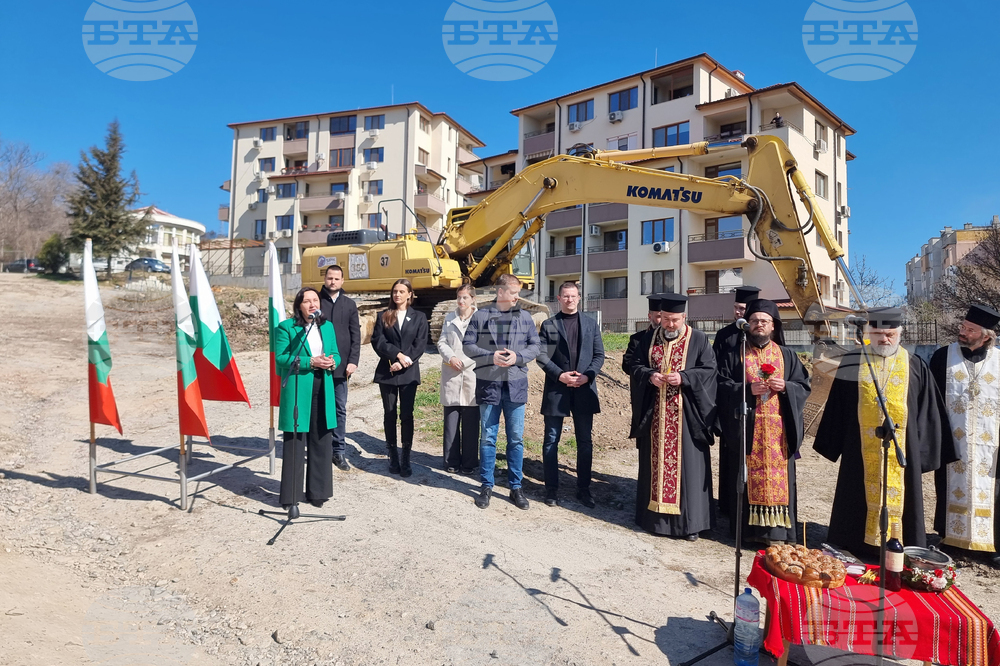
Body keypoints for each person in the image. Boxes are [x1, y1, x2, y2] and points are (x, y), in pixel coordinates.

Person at [814, 308, 958, 556]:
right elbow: (837, 406)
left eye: (890, 334)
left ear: (899, 334)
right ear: (868, 334)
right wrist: (833, 442)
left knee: (904, 500)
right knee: (856, 493)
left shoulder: (915, 365)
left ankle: (903, 543)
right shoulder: (852, 361)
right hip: (859, 448)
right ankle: (855, 543)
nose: (884, 339)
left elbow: (928, 412)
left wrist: (921, 453)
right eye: (878, 334)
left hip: (902, 452)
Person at [716, 299, 810, 544]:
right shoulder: (733, 355)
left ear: (773, 326)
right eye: (755, 321)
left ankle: (780, 533)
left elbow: (804, 386)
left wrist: (786, 387)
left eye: (764, 322)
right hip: (748, 431)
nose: (759, 325)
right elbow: (721, 387)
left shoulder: (787, 355)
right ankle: (749, 533)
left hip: (779, 435)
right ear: (747, 325)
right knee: (746, 479)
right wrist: (747, 389)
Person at [629, 293, 718, 540]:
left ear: (684, 317)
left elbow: (710, 370)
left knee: (689, 471)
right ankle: (655, 521)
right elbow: (635, 365)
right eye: (665, 319)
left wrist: (684, 378)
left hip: (687, 417)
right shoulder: (649, 338)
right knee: (654, 468)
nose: (669, 324)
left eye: (674, 320)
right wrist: (649, 375)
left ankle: (690, 525)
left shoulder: (698, 339)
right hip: (656, 416)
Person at [463, 274, 540, 510]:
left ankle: (516, 487)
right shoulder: (481, 315)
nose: (518, 297)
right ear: (501, 292)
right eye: (514, 292)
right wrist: (490, 357)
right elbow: (468, 345)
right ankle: (486, 485)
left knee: (515, 439)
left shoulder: (525, 317)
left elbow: (535, 345)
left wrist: (518, 357)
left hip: (515, 386)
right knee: (488, 437)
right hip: (489, 385)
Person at [930, 304, 1000, 566]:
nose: (963, 332)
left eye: (970, 330)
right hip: (953, 440)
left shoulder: (999, 362)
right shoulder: (942, 357)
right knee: (947, 487)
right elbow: (932, 400)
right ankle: (950, 537)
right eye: (963, 327)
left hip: (989, 443)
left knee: (992, 492)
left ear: (985, 336)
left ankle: (991, 543)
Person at [536, 281, 606, 508]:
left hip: (584, 389)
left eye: (573, 296)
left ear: (579, 298)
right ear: (559, 298)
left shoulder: (590, 324)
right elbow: (542, 356)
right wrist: (560, 375)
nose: (569, 299)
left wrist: (588, 376)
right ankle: (551, 489)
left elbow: (598, 355)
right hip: (557, 389)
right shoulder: (549, 325)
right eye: (565, 296)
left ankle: (584, 489)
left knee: (584, 442)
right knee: (551, 441)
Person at [274, 287, 341, 509]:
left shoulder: (327, 327)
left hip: (323, 386)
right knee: (295, 442)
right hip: (297, 389)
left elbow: (337, 354)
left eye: (315, 300)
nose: (312, 304)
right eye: (307, 301)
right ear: (299, 306)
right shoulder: (287, 328)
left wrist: (333, 362)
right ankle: (292, 496)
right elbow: (282, 358)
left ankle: (318, 492)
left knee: (321, 438)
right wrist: (310, 362)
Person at [371, 279, 428, 478]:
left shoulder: (419, 317)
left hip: (408, 373)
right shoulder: (384, 315)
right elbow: (378, 341)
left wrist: (404, 361)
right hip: (388, 371)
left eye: (402, 291)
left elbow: (420, 344)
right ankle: (392, 454)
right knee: (389, 413)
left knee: (406, 414)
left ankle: (406, 456)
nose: (397, 295)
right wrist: (396, 355)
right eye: (395, 291)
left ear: (410, 294)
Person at [713, 285, 761, 518]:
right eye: (736, 308)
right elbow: (715, 370)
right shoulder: (724, 335)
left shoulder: (759, 335)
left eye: (743, 309)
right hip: (730, 399)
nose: (738, 313)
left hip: (758, 405)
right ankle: (728, 503)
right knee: (729, 455)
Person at [319, 264, 360, 472]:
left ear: (342, 281)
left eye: (336, 278)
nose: (332, 281)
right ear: (324, 279)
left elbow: (355, 336)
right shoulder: (315, 302)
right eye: (329, 278)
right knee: (318, 409)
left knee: (339, 409)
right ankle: (320, 449)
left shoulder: (350, 305)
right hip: (318, 366)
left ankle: (338, 451)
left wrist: (353, 361)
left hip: (342, 368)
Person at [437, 284, 479, 475]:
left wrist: (464, 361)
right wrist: (450, 358)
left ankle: (469, 463)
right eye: (459, 297)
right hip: (451, 373)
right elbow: (442, 341)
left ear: (473, 299)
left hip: (472, 374)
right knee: (451, 421)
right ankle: (450, 461)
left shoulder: (480, 319)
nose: (461, 301)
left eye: (465, 298)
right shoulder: (449, 318)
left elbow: (484, 345)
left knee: (471, 423)